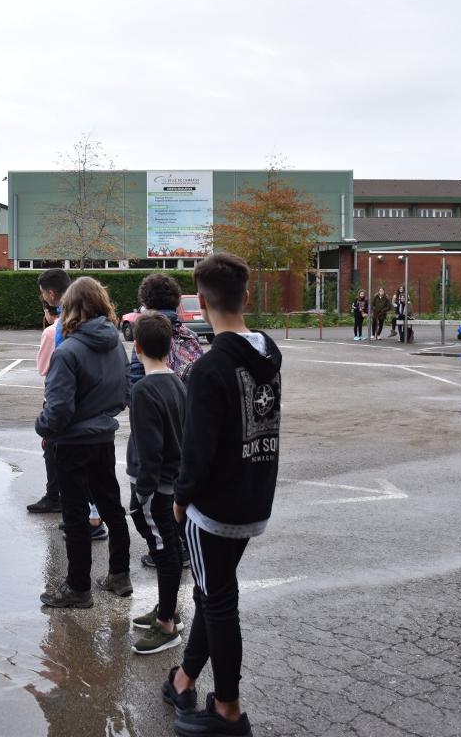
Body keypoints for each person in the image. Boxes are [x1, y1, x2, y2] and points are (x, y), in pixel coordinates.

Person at [166, 253, 281, 737]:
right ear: (246, 297)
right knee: (214, 591)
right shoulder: (269, 352)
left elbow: (198, 450)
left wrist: (180, 498)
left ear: (202, 302)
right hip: (255, 496)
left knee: (218, 600)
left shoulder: (210, 369)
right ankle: (184, 679)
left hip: (213, 509)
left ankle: (229, 709)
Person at [36, 276, 131, 608]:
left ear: (71, 307)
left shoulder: (68, 351)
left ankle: (78, 588)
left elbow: (58, 409)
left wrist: (42, 426)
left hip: (73, 443)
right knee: (111, 508)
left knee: (75, 516)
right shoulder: (117, 345)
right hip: (104, 437)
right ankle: (120, 574)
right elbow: (124, 393)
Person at [127, 272, 202, 570]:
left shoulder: (144, 335)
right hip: (186, 425)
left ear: (146, 302)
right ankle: (183, 546)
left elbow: (135, 387)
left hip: (153, 434)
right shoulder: (191, 337)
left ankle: (165, 551)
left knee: (152, 505)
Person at [125, 311, 188, 656]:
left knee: (164, 548)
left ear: (136, 347)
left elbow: (151, 447)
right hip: (167, 482)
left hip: (156, 486)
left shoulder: (145, 390)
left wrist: (142, 494)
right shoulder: (175, 380)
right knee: (164, 544)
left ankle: (167, 622)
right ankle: (167, 609)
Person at [27, 269, 71, 514]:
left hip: (58, 397)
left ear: (51, 294)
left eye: (44, 293)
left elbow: (44, 367)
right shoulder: (91, 320)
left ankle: (54, 495)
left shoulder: (54, 332)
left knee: (52, 447)